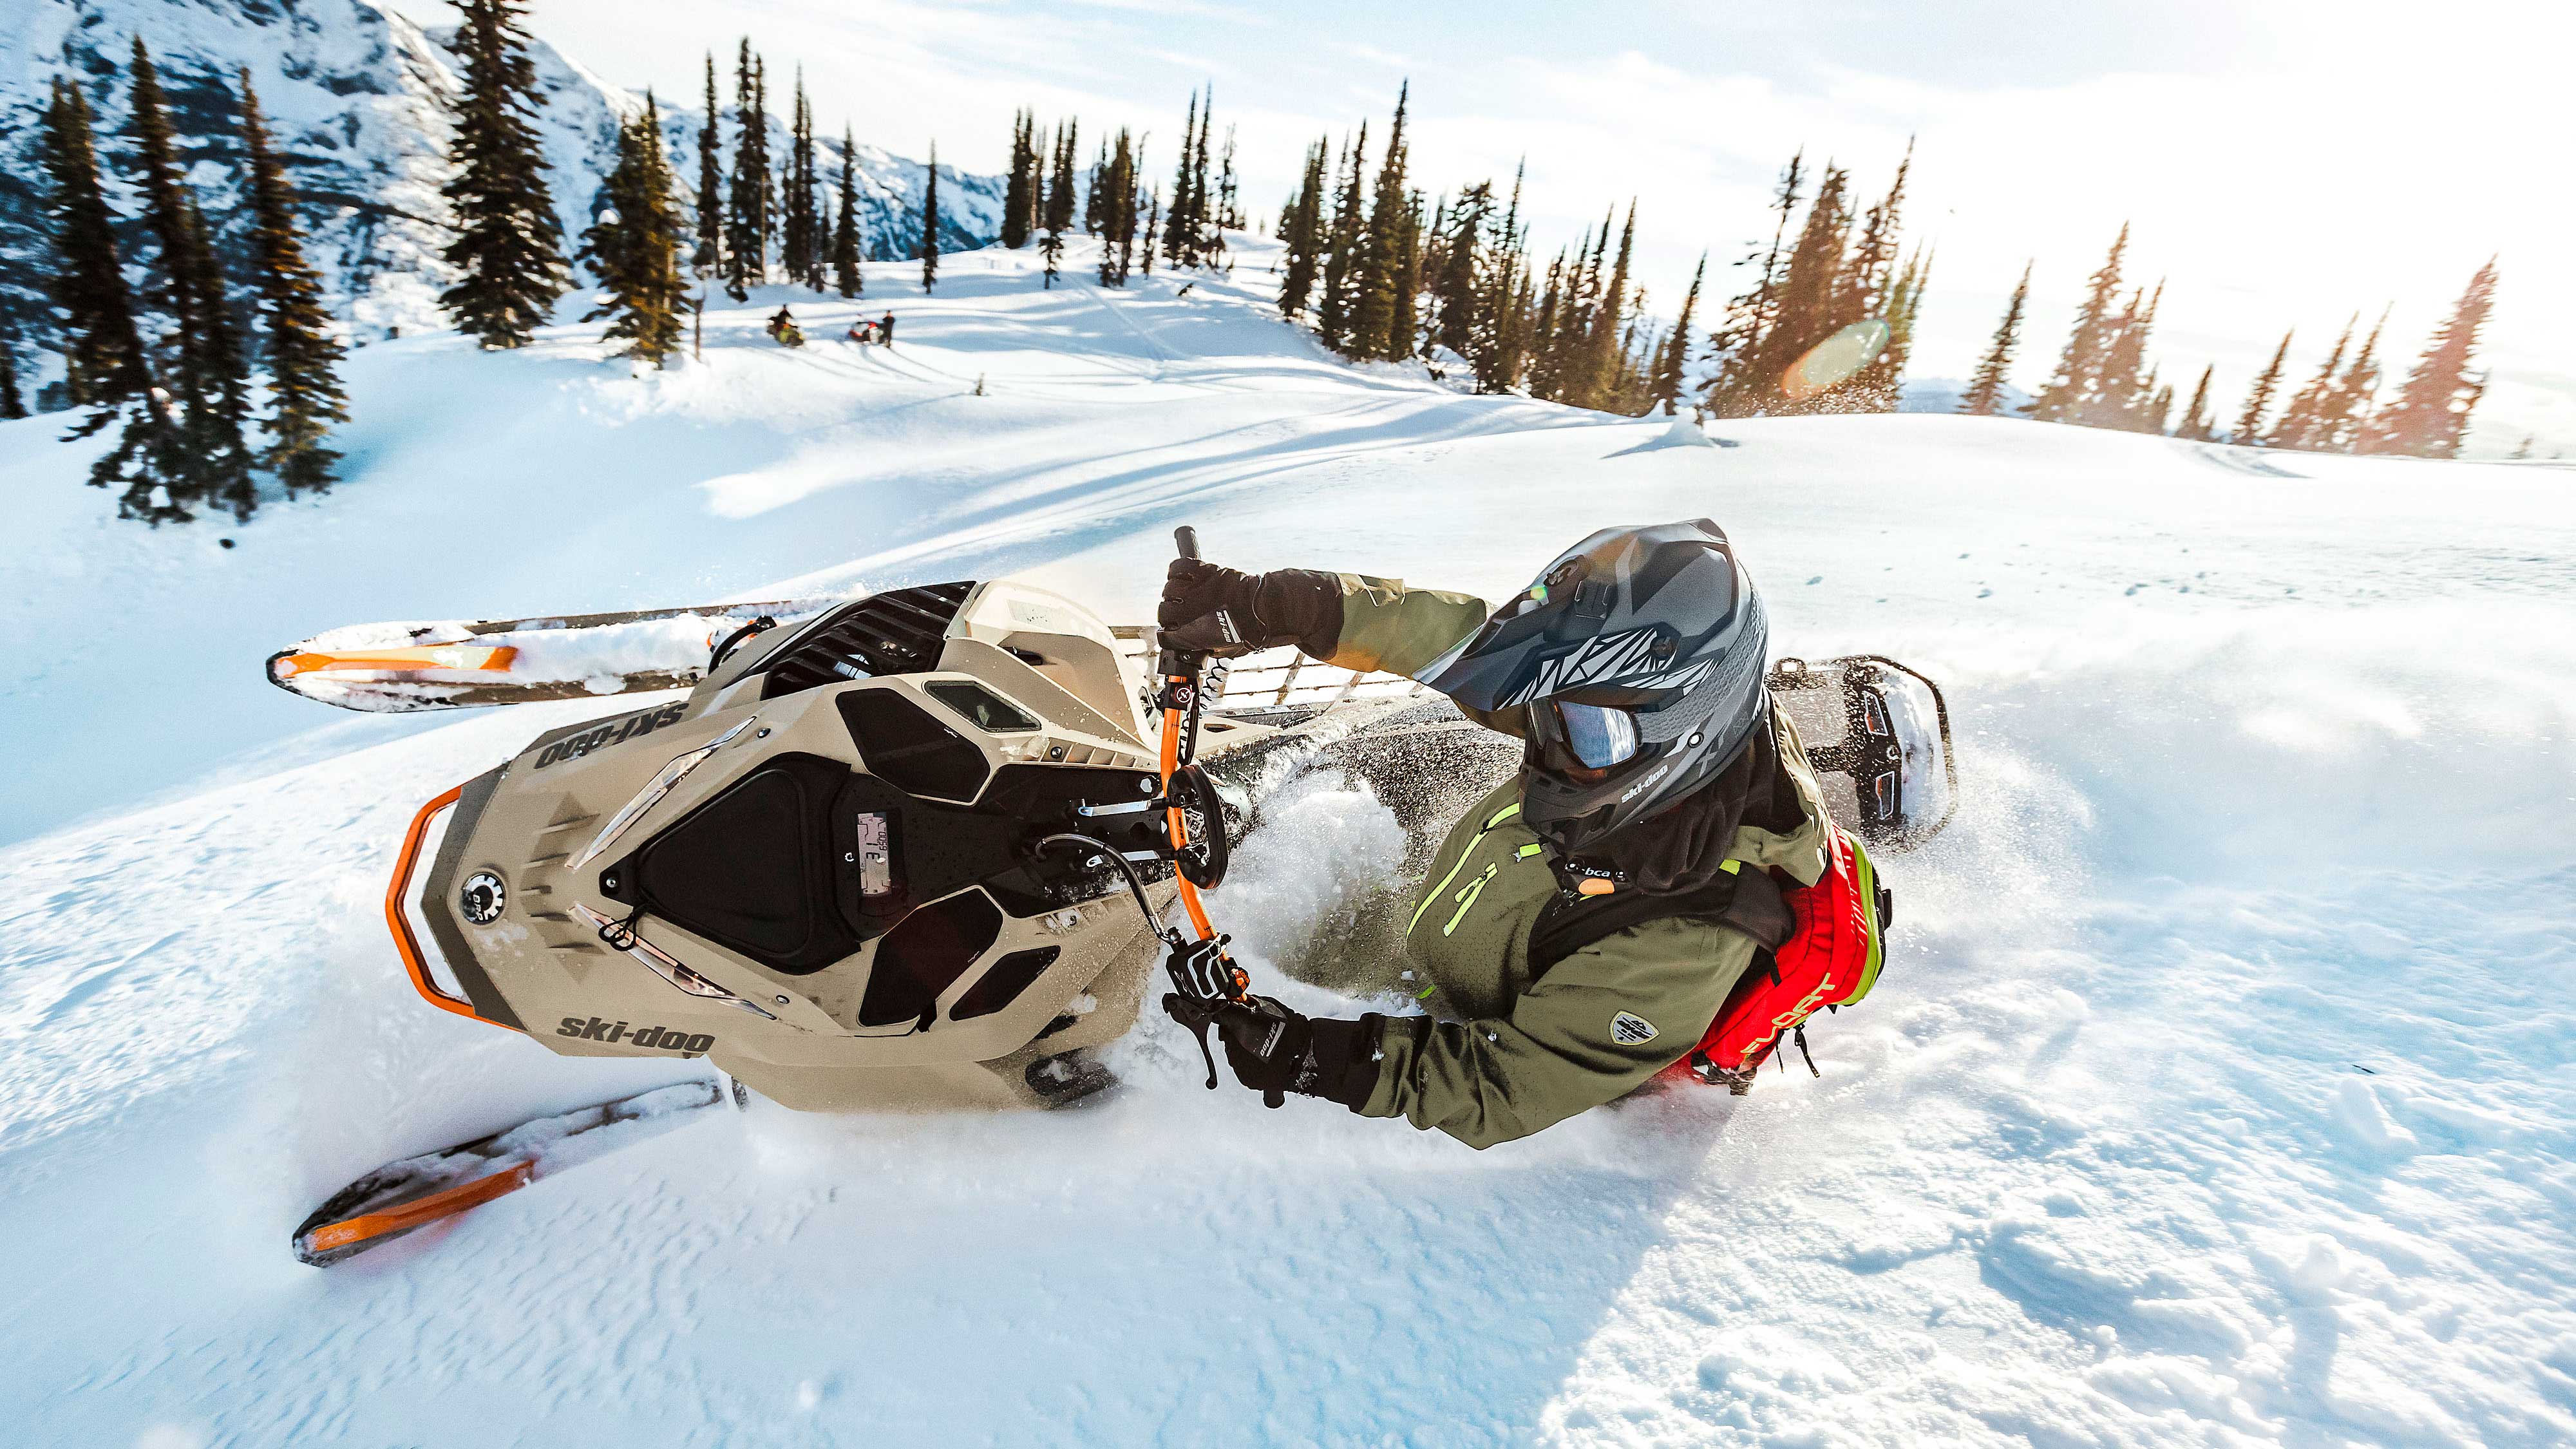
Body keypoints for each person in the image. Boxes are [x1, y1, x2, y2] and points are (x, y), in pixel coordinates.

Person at [1155, 520, 1831, 1148]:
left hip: (1435, 1027)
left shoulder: (1684, 938)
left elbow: (1506, 1087)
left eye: (1583, 730)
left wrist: (1312, 1057)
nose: (1544, 740)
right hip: (1438, 926)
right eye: (1544, 707)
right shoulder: (1620, 731)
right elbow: (1472, 651)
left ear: (1687, 734)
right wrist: (1283, 606)